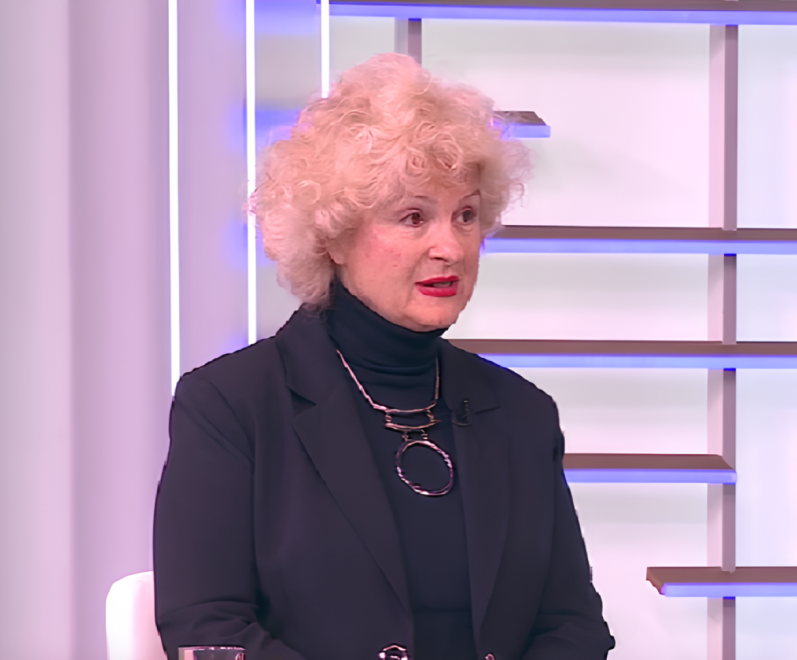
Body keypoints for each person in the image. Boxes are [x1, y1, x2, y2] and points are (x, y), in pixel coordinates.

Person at [153, 53, 615, 660]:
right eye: (413, 217)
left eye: (466, 215)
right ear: (335, 235)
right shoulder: (231, 405)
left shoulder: (522, 413)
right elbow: (207, 628)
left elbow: (572, 626)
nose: (451, 247)